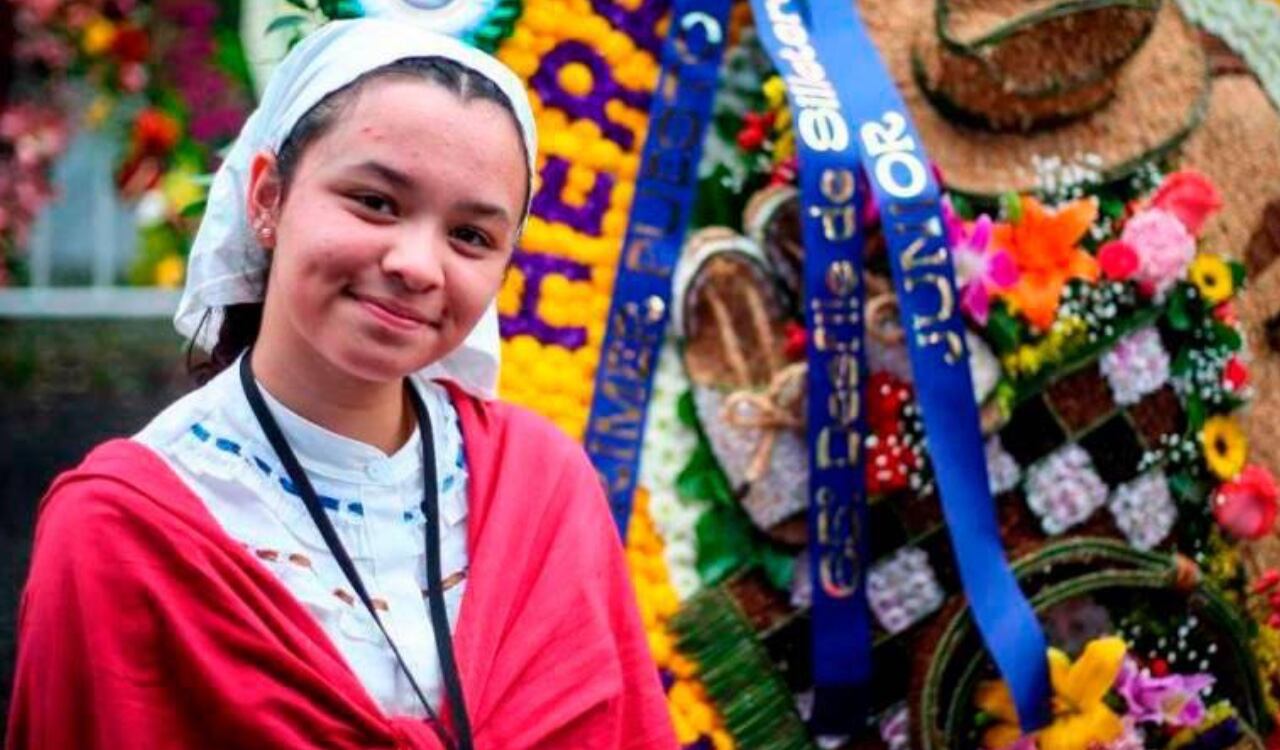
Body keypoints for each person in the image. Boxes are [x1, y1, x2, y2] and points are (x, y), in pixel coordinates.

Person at [5, 18, 676, 750]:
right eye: (376, 202)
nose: (418, 264)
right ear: (267, 197)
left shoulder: (544, 488)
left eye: (471, 237)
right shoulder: (122, 532)